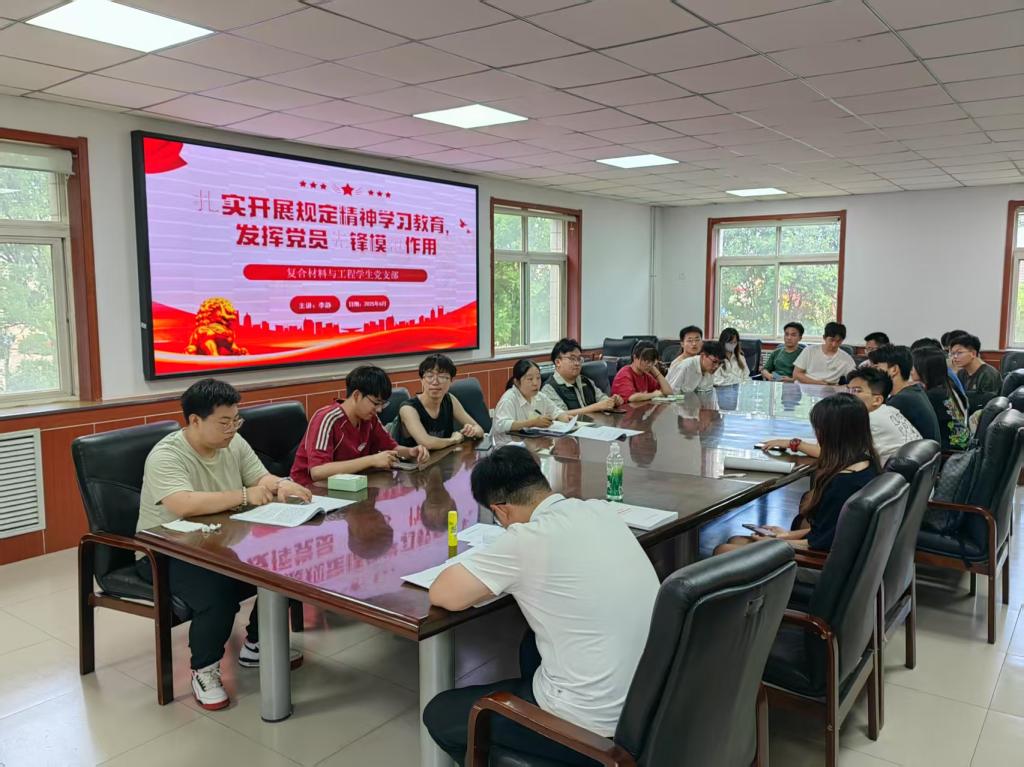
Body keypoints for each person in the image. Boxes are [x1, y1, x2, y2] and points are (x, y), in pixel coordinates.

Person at [423, 446, 659, 765]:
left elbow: (444, 594)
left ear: (501, 511)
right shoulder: (599, 510)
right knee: (530, 643)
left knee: (441, 713)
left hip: (594, 726)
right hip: (649, 704)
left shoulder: (526, 539)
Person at [136, 378, 313, 710]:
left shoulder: (233, 443)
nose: (232, 429)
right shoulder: (166, 455)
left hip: (221, 540)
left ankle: (258, 644)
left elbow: (260, 477)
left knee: (290, 564)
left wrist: (280, 485)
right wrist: (245, 496)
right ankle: (204, 669)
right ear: (195, 420)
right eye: (224, 422)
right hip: (167, 550)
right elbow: (183, 503)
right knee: (218, 593)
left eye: (236, 420)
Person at [721, 393, 880, 553]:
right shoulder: (867, 464)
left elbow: (819, 545)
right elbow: (827, 532)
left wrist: (774, 542)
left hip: (818, 560)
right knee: (736, 541)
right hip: (843, 552)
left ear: (830, 433)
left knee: (724, 549)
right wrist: (784, 535)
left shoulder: (842, 484)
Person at [290, 365, 429, 484]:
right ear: (356, 395)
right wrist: (371, 460)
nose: (379, 410)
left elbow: (391, 447)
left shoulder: (370, 418)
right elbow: (318, 472)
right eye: (376, 403)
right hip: (311, 492)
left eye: (383, 404)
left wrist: (410, 452)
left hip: (350, 487)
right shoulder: (326, 418)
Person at [396, 354, 485, 450]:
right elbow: (427, 443)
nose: (435, 382)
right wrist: (454, 440)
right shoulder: (408, 409)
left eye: (442, 376)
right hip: (414, 459)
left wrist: (472, 431)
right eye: (430, 376)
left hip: (445, 457)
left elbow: (479, 429)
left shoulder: (450, 400)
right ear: (421, 380)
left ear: (451, 381)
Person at [846, 367, 922, 465]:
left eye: (856, 391)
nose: (848, 396)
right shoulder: (890, 410)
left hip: (892, 472)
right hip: (910, 469)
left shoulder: (869, 420)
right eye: (848, 390)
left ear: (877, 400)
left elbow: (837, 451)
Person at [868, 344, 941, 442]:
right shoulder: (914, 391)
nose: (873, 373)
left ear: (894, 370)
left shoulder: (901, 400)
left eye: (876, 368)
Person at [541, 338, 623, 415]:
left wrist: (612, 401)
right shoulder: (549, 389)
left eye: (579, 359)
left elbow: (601, 398)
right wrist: (596, 407)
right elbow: (560, 415)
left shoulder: (586, 381)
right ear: (558, 362)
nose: (577, 363)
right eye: (572, 359)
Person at [912, 347, 970, 451]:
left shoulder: (934, 395)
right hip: (961, 444)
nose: (911, 371)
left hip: (949, 451)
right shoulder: (947, 384)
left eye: (914, 366)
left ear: (925, 369)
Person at [494, 359, 571, 433]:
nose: (535, 383)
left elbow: (556, 411)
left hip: (532, 439)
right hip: (507, 441)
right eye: (530, 379)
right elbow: (500, 425)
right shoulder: (508, 399)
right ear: (517, 382)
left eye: (538, 378)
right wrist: (533, 422)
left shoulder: (540, 397)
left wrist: (564, 417)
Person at [948, 333, 1002, 413]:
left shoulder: (988, 374)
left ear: (973, 353)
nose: (954, 357)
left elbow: (989, 405)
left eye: (959, 353)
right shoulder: (961, 373)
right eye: (953, 353)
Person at [792, 321, 856, 385]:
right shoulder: (810, 351)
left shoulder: (846, 358)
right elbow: (796, 374)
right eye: (831, 340)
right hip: (806, 386)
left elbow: (855, 379)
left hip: (831, 389)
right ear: (824, 337)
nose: (834, 344)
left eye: (838, 341)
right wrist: (819, 383)